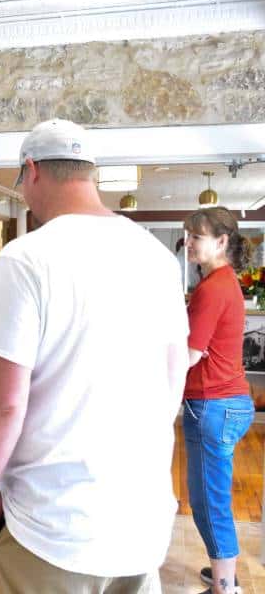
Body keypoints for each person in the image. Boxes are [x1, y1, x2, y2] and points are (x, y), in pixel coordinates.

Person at [0, 118, 189, 593]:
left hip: (52, 523)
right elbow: (174, 378)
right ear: (90, 172)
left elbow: (3, 402)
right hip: (140, 518)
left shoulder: (26, 258)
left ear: (32, 171)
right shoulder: (156, 257)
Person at [183, 207, 254, 594]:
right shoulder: (223, 282)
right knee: (213, 497)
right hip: (227, 401)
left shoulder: (213, 288)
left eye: (197, 236)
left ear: (222, 241)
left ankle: (225, 587)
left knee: (209, 501)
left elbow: (190, 355)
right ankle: (224, 572)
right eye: (187, 235)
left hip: (213, 404)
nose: (189, 243)